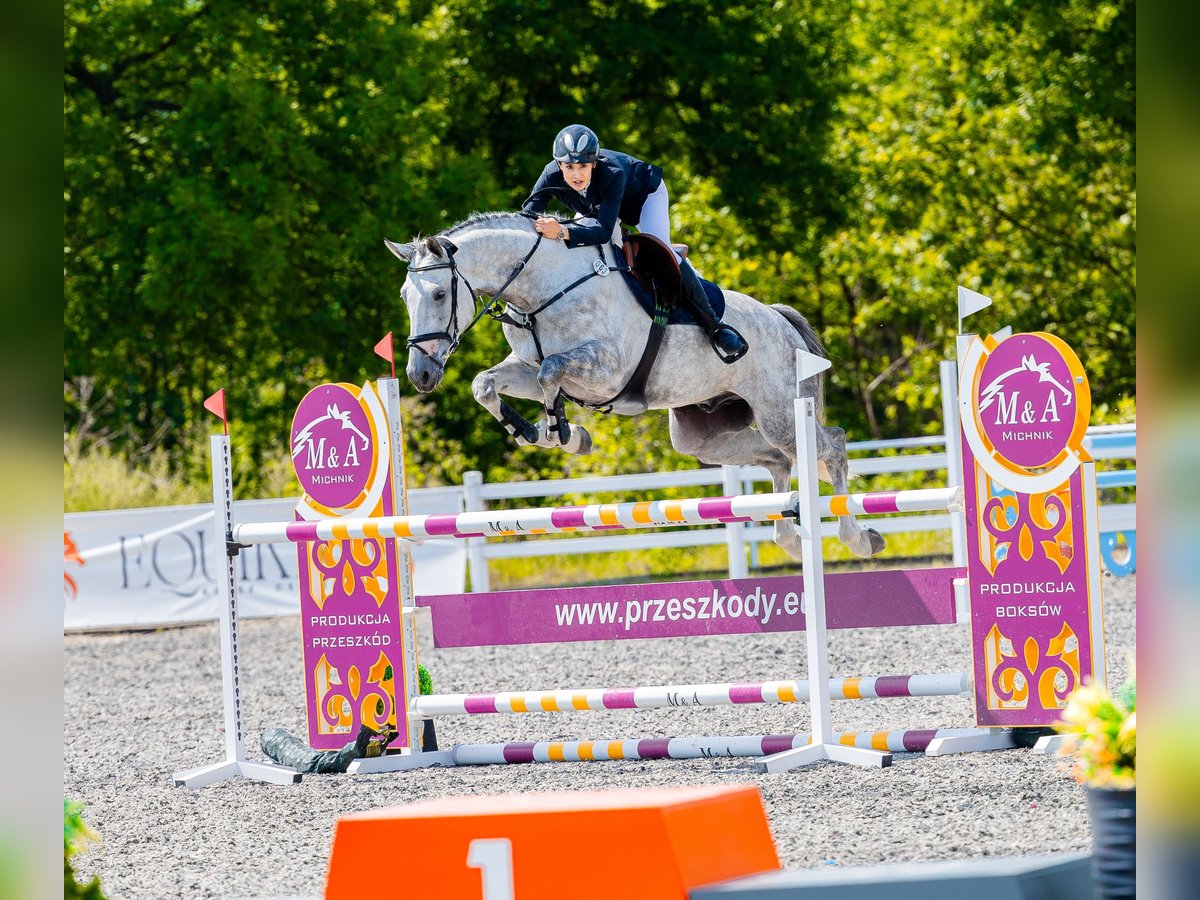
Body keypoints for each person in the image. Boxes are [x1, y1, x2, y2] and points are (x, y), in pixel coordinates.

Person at [522, 124, 748, 363]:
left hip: (643, 198)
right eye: (569, 167)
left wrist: (561, 232)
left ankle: (716, 327)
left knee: (663, 252)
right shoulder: (550, 174)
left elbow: (602, 232)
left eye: (583, 166)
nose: (576, 174)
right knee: (577, 248)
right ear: (558, 165)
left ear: (594, 163)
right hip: (600, 207)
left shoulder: (613, 172)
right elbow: (526, 216)